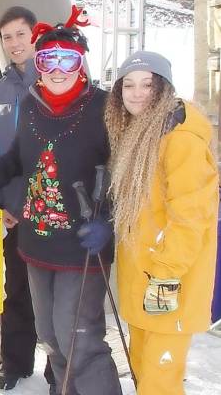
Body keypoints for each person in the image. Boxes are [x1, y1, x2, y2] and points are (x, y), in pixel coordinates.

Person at [0, 6, 123, 395]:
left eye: (68, 59)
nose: (58, 69)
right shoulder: (32, 104)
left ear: (81, 64)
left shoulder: (104, 106)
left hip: (82, 244)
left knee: (78, 336)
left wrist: (107, 220)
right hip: (36, 242)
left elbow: (128, 167)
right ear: (40, 63)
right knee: (50, 334)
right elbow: (14, 159)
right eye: (49, 59)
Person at [102, 51, 219, 395]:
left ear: (164, 88)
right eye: (129, 85)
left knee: (160, 383)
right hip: (143, 280)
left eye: (148, 85)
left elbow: (190, 215)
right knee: (143, 372)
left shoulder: (180, 140)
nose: (137, 93)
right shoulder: (139, 134)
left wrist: (165, 276)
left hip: (168, 283)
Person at [0, 5, 55, 391]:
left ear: (35, 35)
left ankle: (57, 366)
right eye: (6, 36)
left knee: (57, 295)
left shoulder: (57, 82)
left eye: (20, 35)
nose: (13, 43)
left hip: (56, 213)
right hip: (14, 213)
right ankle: (16, 363)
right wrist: (1, 202)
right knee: (15, 292)